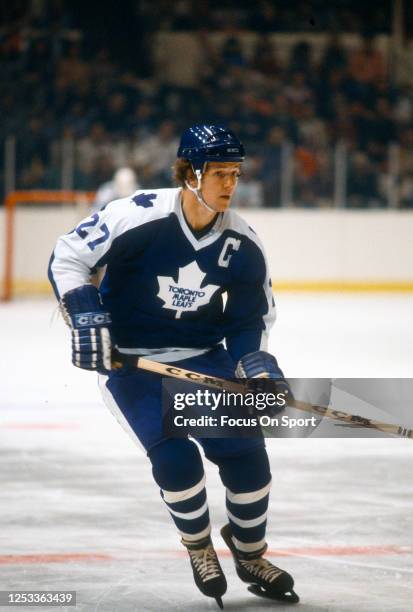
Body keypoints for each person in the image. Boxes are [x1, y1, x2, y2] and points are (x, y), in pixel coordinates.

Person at [48, 125, 299, 608]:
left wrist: (255, 363)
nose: (231, 184)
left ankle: (249, 555)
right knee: (176, 461)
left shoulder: (242, 242)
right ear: (189, 174)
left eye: (236, 173)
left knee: (250, 463)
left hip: (205, 359)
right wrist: (84, 315)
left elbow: (251, 317)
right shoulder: (136, 215)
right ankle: (199, 546)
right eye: (220, 173)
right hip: (132, 363)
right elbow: (68, 256)